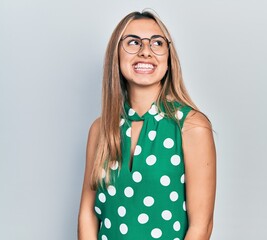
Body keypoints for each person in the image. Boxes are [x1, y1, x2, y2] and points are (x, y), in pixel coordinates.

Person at [78, 10, 216, 240]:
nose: (145, 51)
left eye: (157, 43)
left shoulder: (192, 127)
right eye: (133, 42)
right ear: (116, 54)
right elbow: (87, 215)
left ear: (169, 57)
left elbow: (201, 226)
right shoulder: (100, 129)